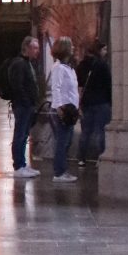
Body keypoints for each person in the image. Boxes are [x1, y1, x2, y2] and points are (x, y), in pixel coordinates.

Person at [7, 35, 41, 178]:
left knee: (24, 134)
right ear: (26, 48)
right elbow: (18, 86)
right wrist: (26, 102)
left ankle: (23, 163)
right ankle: (18, 166)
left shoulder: (28, 63)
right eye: (34, 48)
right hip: (22, 106)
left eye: (38, 48)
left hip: (27, 105)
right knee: (20, 135)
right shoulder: (19, 64)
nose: (37, 51)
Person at [49, 36, 80, 183]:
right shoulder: (59, 68)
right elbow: (56, 88)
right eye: (71, 46)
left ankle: (62, 169)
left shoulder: (68, 67)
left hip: (71, 108)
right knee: (62, 142)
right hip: (63, 110)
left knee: (66, 141)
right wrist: (59, 107)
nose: (73, 48)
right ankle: (59, 172)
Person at [78, 39, 113, 167]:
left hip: (87, 102)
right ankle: (101, 158)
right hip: (101, 101)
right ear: (98, 50)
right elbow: (109, 84)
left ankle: (81, 158)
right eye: (104, 49)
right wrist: (111, 101)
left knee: (85, 132)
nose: (106, 52)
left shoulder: (81, 65)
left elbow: (79, 85)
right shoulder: (102, 65)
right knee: (101, 131)